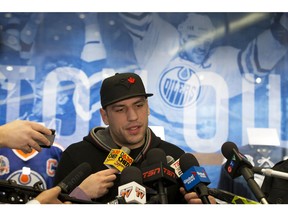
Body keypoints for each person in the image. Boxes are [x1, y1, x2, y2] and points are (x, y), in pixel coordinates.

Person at [53, 72, 216, 204]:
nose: (133, 117)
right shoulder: (76, 157)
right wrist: (80, 196)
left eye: (139, 106)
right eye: (120, 109)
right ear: (105, 116)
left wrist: (206, 206)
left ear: (148, 107)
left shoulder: (175, 156)